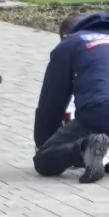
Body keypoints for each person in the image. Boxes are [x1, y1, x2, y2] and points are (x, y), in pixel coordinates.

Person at [33, 13, 109, 183]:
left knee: (43, 161)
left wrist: (45, 144)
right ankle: (100, 153)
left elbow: (51, 103)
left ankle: (86, 148)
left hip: (99, 111)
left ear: (66, 35)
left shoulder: (71, 43)